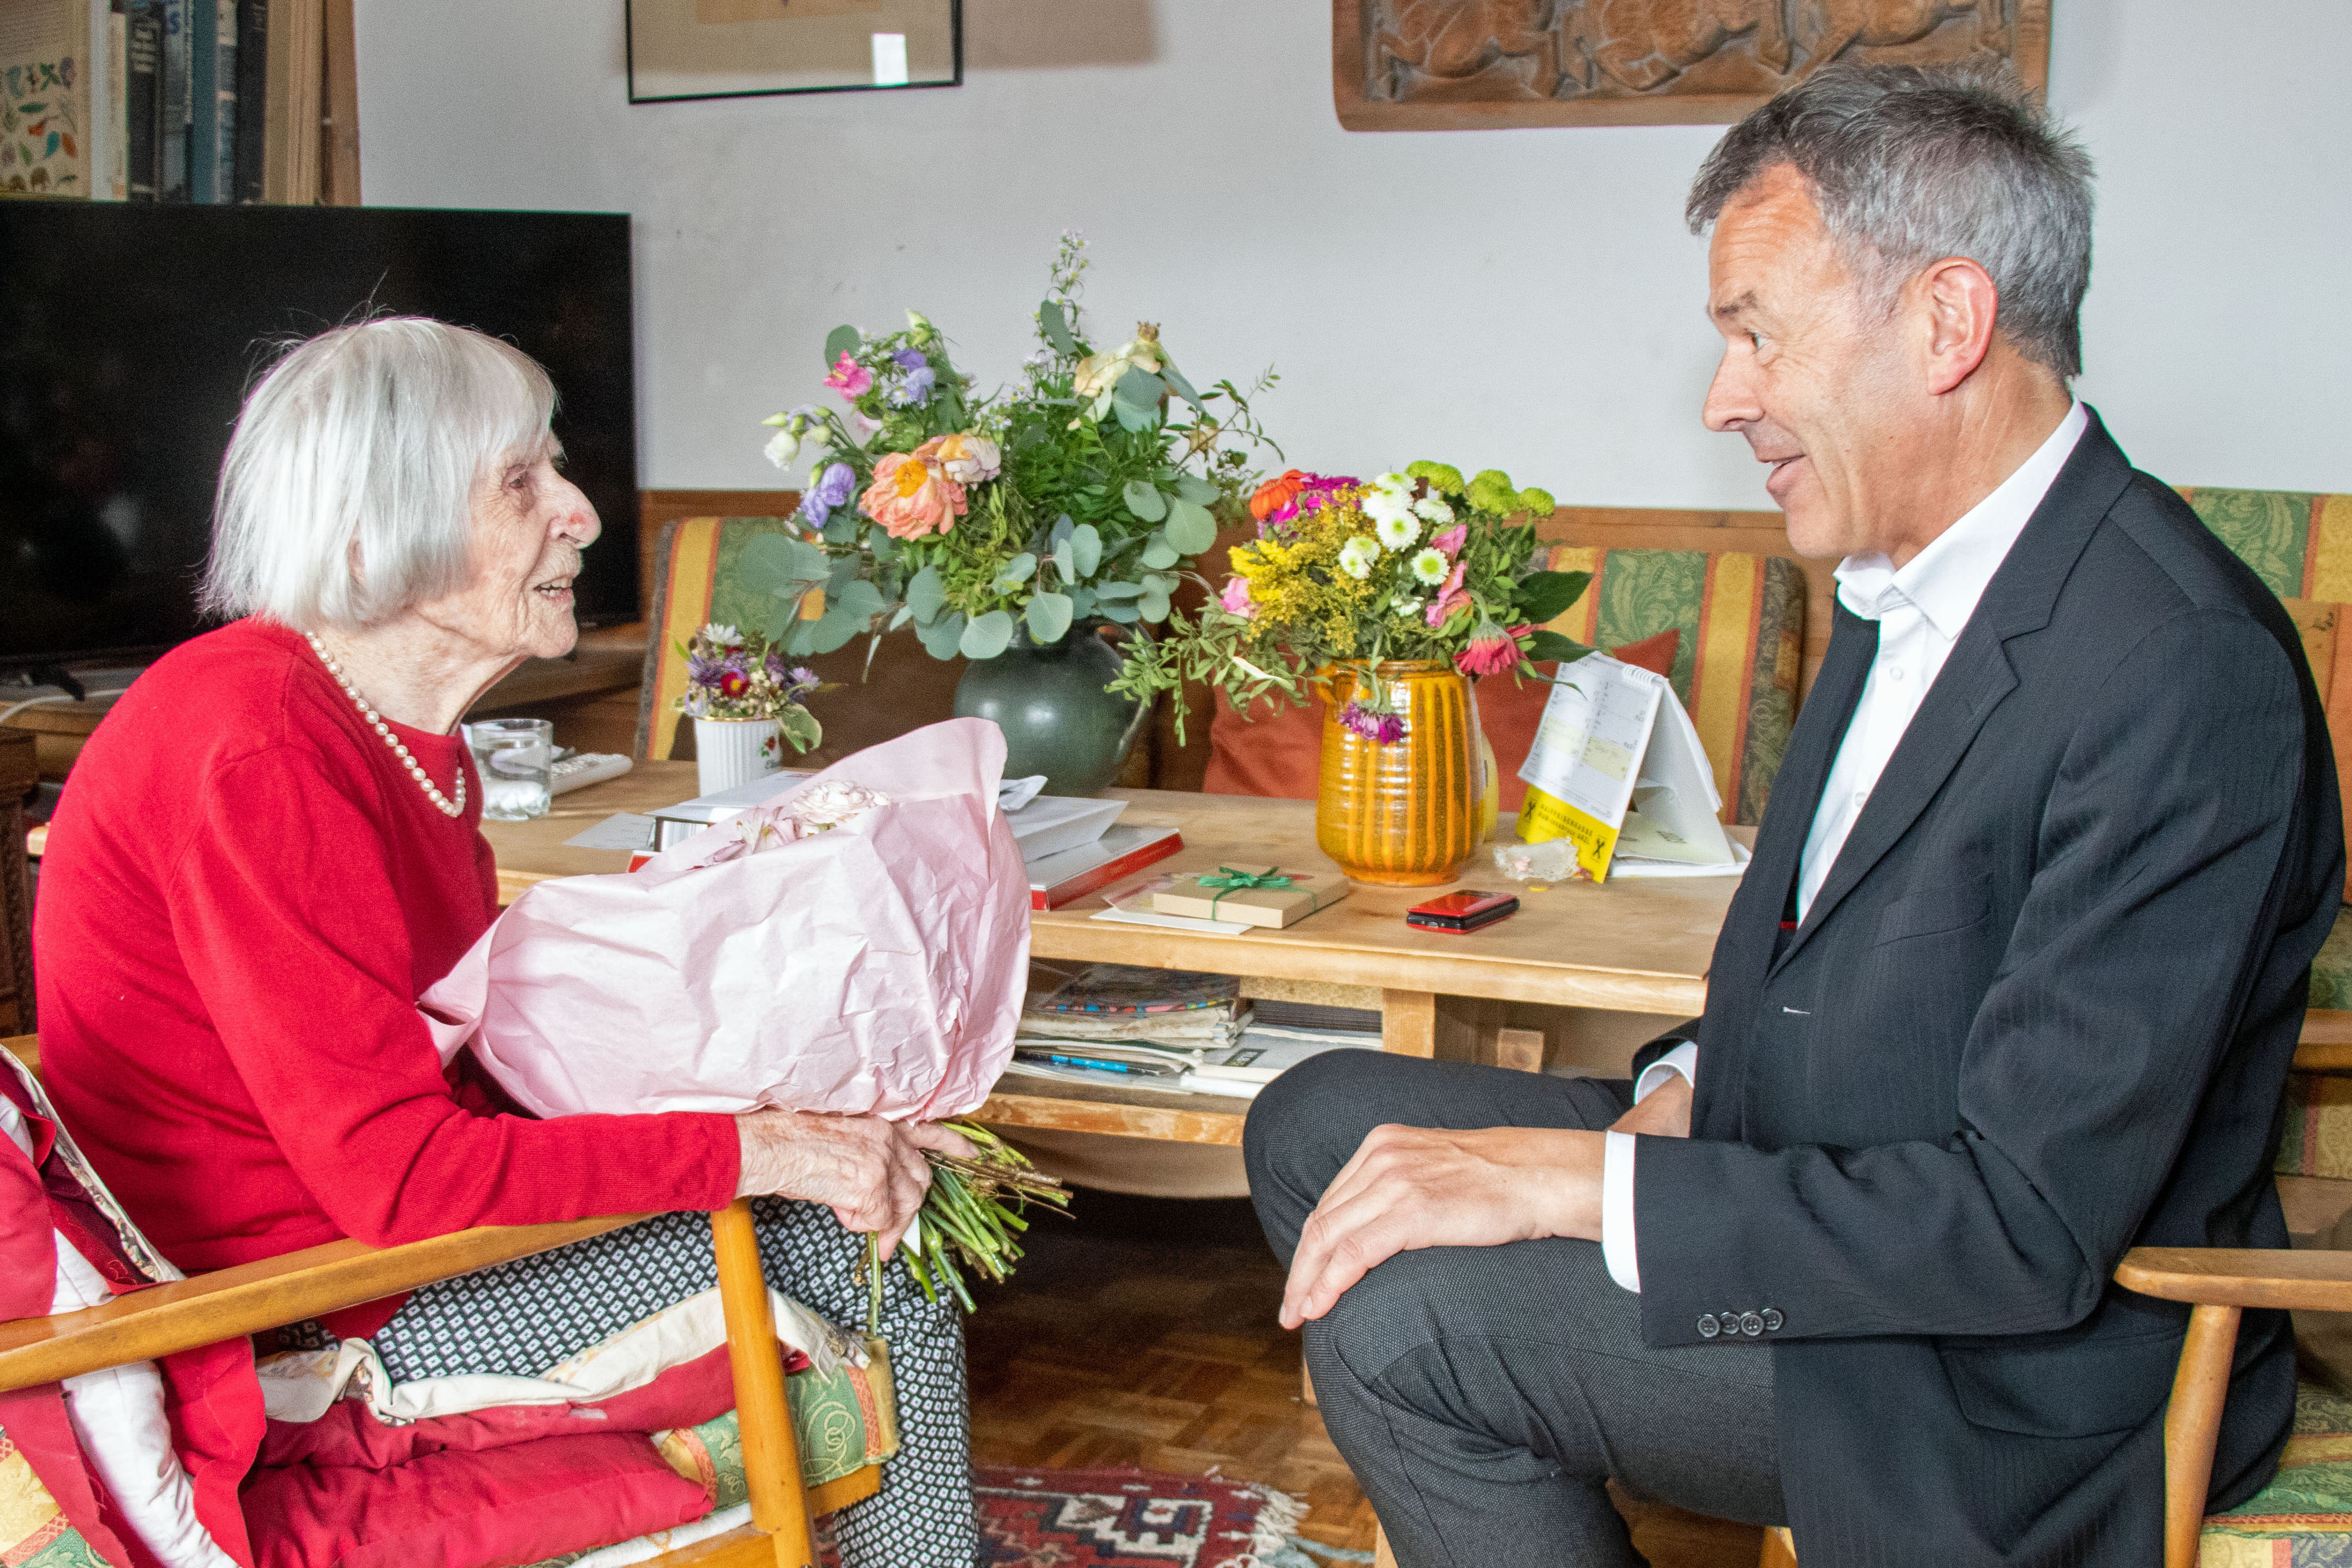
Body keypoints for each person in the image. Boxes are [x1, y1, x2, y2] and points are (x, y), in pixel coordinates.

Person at [1247, 65, 2343, 1568]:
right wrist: (1680, 1091)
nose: (1722, 398)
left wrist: (1586, 1183)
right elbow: (1815, 970)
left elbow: (2023, 1224)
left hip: (1995, 1363)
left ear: (1945, 324)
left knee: (1402, 1326)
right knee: (1317, 1122)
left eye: (1754, 331)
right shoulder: (1906, 579)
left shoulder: (2176, 668)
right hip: (1819, 1184)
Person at [34, 317, 979, 1567]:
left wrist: (818, 1117)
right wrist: (764, 1152)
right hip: (308, 1323)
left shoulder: (394, 733)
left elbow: (467, 1069)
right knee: (881, 1258)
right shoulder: (256, 745)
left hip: (380, 1258)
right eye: (522, 482)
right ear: (383, 527)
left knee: (876, 1180)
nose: (582, 513)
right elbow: (401, 1178)